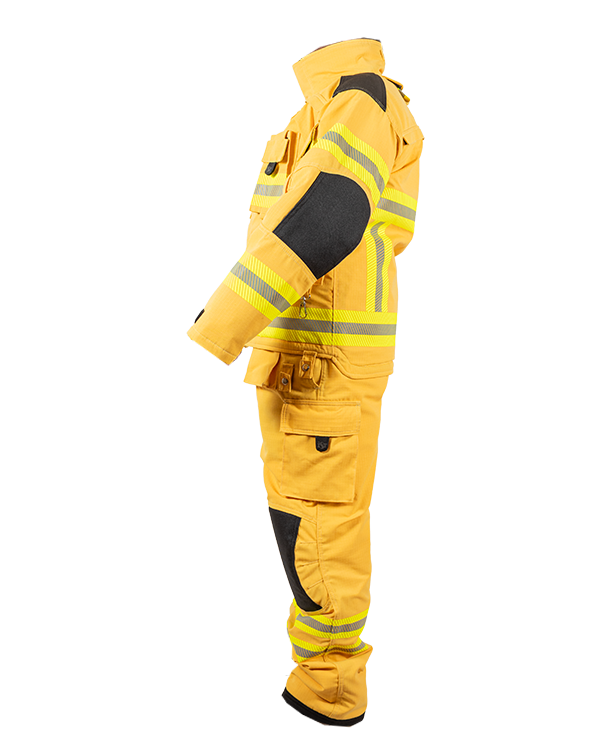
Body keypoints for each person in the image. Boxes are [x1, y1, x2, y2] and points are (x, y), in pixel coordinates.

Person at [187, 37, 424, 726]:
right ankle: (324, 677)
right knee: (304, 522)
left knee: (318, 528)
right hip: (301, 357)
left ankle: (331, 689)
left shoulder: (359, 100)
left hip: (323, 363)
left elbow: (328, 213)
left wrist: (221, 322)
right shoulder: (322, 106)